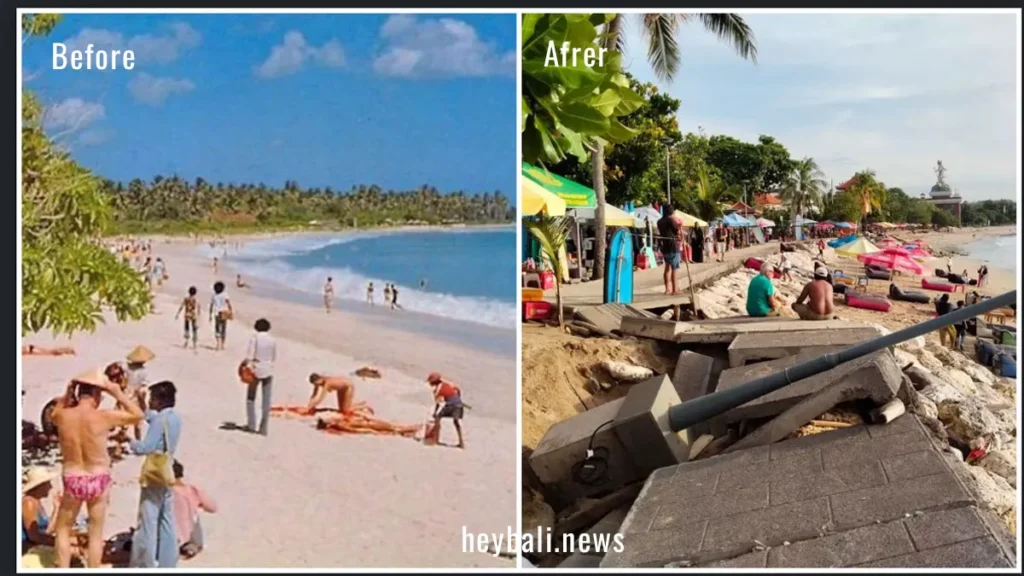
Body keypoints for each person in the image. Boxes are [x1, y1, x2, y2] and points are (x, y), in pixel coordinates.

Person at [52, 369, 145, 568]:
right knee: (95, 533)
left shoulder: (63, 416)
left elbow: (53, 414)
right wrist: (116, 392)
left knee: (63, 530)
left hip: (73, 476)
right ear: (97, 395)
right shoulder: (103, 417)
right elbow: (138, 415)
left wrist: (67, 393)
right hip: (98, 476)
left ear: (78, 393)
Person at [129, 381, 182, 568]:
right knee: (166, 519)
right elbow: (151, 417)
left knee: (148, 520)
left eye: (152, 399)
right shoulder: (175, 418)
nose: (151, 402)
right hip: (167, 469)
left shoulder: (160, 420)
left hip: (154, 473)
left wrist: (130, 440)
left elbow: (146, 447)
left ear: (159, 400)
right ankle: (168, 562)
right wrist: (142, 403)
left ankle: (145, 563)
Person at [171, 460, 217, 560]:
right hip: (187, 534)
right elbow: (213, 507)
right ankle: (192, 546)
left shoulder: (164, 493)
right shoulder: (192, 490)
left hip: (169, 533)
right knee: (193, 516)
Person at [244, 318, 276, 436]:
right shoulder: (272, 340)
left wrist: (246, 365)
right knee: (266, 400)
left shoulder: (255, 338)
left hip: (256, 368)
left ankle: (251, 424)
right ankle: (264, 428)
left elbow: (250, 355)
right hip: (268, 368)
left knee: (251, 398)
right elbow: (273, 357)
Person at [22, 466, 60, 551]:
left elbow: (47, 531)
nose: (51, 487)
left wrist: (56, 508)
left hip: (37, 545)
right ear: (40, 486)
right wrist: (57, 542)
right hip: (27, 549)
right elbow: (34, 537)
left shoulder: (36, 501)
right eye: (48, 483)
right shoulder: (29, 503)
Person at [425, 372, 465, 449]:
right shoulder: (447, 384)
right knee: (456, 422)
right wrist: (458, 398)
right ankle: (461, 443)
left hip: (451, 405)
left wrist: (435, 413)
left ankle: (435, 440)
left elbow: (438, 403)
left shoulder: (437, 390)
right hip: (459, 404)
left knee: (437, 418)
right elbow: (457, 389)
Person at [657, 204, 682, 294]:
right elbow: (677, 231)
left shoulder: (659, 221)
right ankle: (675, 290)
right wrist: (680, 225)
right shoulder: (670, 220)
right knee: (674, 268)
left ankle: (667, 289)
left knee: (667, 268)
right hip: (673, 246)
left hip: (665, 246)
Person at [208, 282, 232, 351]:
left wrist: (210, 315)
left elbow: (211, 305)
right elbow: (228, 303)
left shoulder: (214, 296)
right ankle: (222, 344)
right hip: (224, 312)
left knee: (217, 329)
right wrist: (230, 310)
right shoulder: (225, 294)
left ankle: (218, 344)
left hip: (217, 313)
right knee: (223, 329)